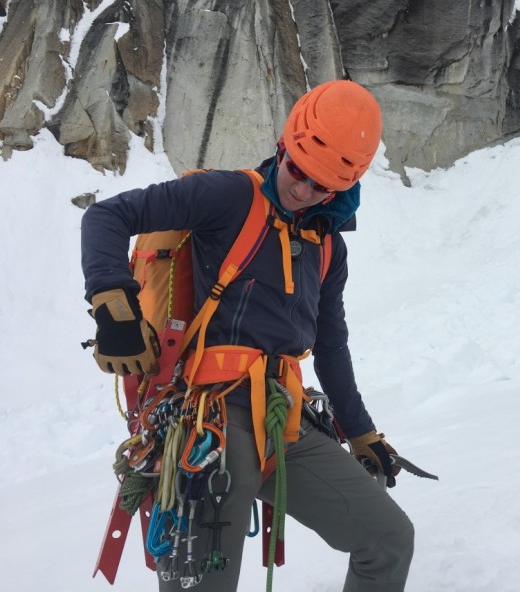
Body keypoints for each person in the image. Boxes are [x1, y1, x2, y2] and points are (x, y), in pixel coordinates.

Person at [81, 80, 414, 592]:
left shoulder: (328, 249)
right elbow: (109, 215)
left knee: (388, 538)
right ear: (285, 147)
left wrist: (362, 431)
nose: (303, 190)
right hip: (209, 417)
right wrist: (114, 307)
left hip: (286, 419)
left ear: (343, 190)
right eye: (298, 171)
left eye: (321, 186)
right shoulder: (228, 196)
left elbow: (330, 346)